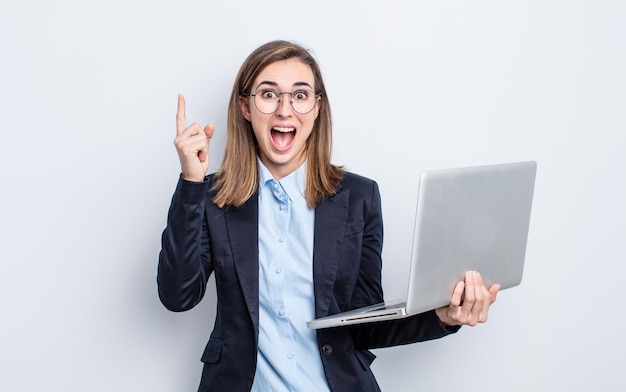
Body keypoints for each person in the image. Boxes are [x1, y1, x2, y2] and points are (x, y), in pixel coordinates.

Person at [157, 40, 500, 392]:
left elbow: (365, 323)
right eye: (269, 95)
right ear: (245, 106)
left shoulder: (359, 197)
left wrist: (443, 316)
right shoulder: (214, 198)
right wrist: (191, 183)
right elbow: (178, 296)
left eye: (300, 95)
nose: (284, 111)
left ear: (317, 107)